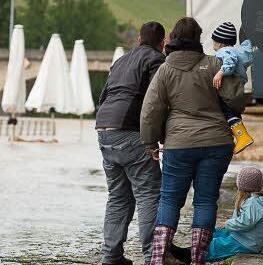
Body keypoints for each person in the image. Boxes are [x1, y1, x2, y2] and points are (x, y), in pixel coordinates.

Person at [140, 17, 246, 265]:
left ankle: (157, 257)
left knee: (169, 199)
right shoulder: (215, 64)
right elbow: (237, 100)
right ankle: (199, 258)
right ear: (198, 39)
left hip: (179, 144)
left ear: (173, 38)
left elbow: (150, 110)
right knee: (206, 200)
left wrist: (150, 142)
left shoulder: (165, 69)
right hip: (217, 142)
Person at [96, 21, 166, 265]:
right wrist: (156, 136)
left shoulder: (120, 61)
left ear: (138, 39)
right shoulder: (156, 60)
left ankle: (111, 256)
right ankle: (152, 256)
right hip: (129, 131)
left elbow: (104, 96)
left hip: (104, 129)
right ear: (163, 43)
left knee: (118, 196)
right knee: (149, 193)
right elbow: (156, 100)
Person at [171, 167, 263, 263]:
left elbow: (246, 222)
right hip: (245, 238)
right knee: (217, 233)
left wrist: (227, 223)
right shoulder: (258, 201)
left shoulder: (254, 203)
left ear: (241, 185)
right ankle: (192, 249)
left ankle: (190, 255)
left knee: (217, 245)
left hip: (247, 243)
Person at [211, 22, 254, 154]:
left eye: (214, 41)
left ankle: (242, 136)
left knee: (226, 110)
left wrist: (220, 72)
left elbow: (230, 61)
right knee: (233, 112)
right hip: (237, 89)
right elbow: (246, 50)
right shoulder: (238, 52)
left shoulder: (225, 52)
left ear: (220, 43)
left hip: (228, 88)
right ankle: (239, 136)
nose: (213, 44)